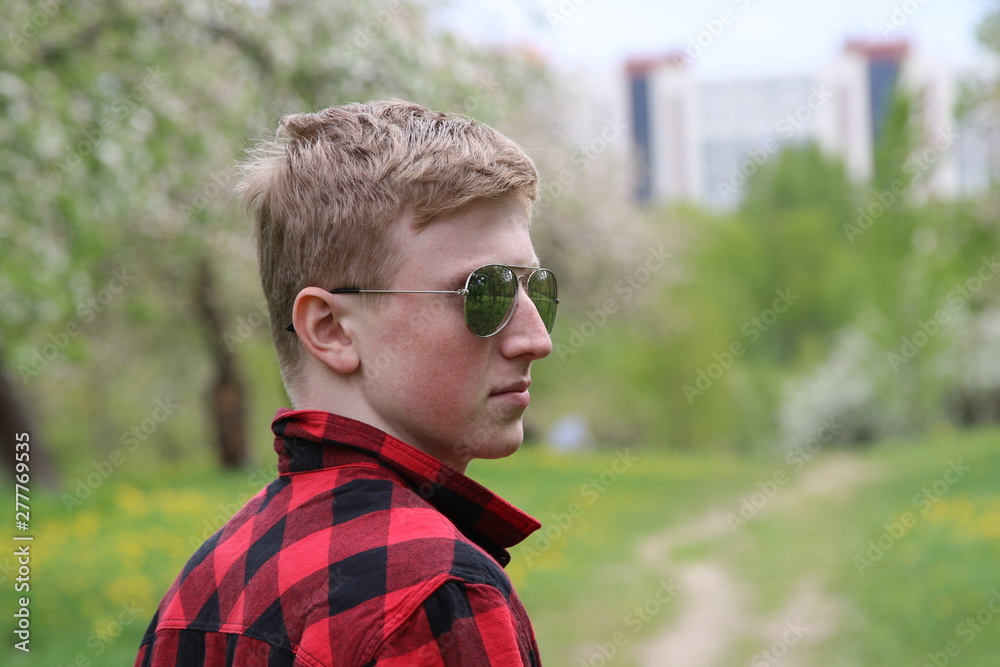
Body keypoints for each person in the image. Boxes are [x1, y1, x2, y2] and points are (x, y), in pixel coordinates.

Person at [135, 100, 558, 666]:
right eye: (485, 292)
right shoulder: (435, 597)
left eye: (536, 290)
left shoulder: (203, 587)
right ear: (331, 329)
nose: (535, 338)